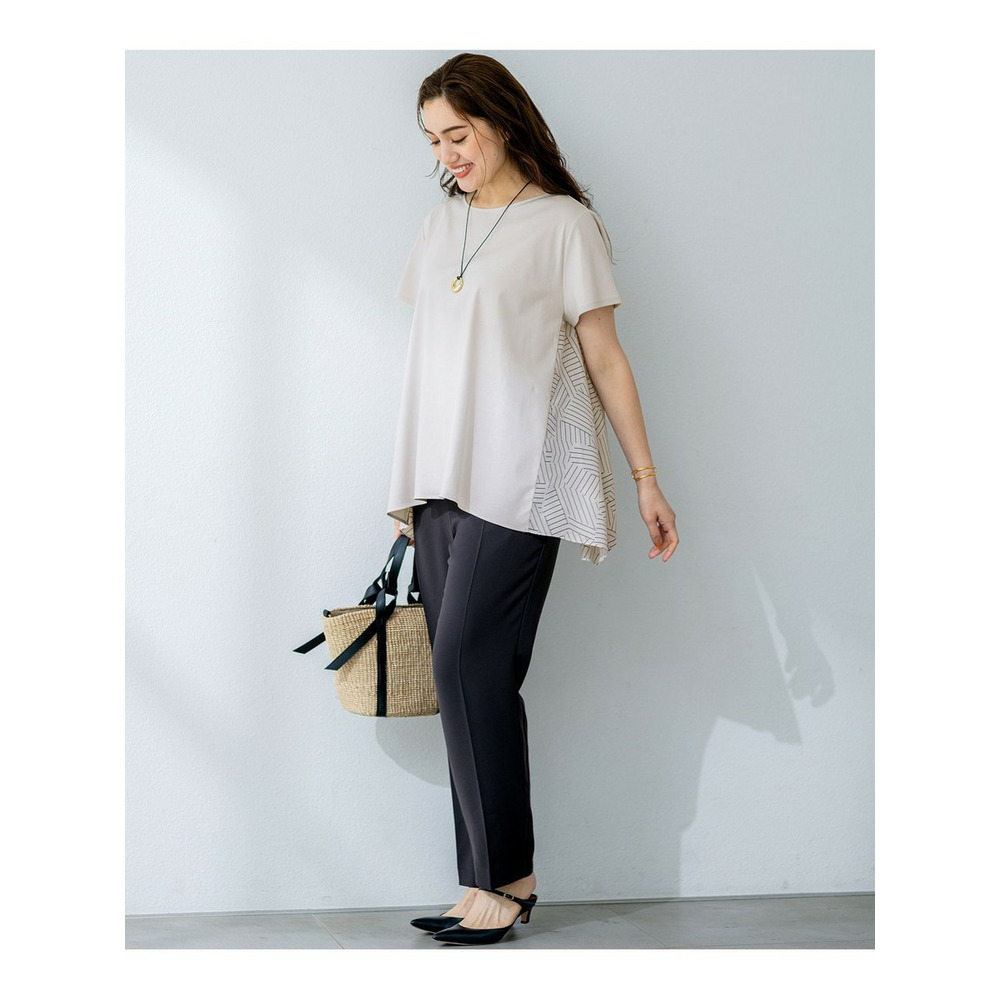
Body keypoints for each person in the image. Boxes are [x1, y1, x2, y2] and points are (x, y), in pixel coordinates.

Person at [385, 53, 678, 946]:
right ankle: (486, 878)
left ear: (501, 121)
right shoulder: (442, 223)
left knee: (469, 665)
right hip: (440, 479)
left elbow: (605, 358)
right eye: (433, 140)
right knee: (463, 677)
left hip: (519, 477)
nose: (447, 154)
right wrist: (407, 481)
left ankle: (506, 880)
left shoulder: (563, 225)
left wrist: (645, 478)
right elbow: (433, 354)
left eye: (458, 134)